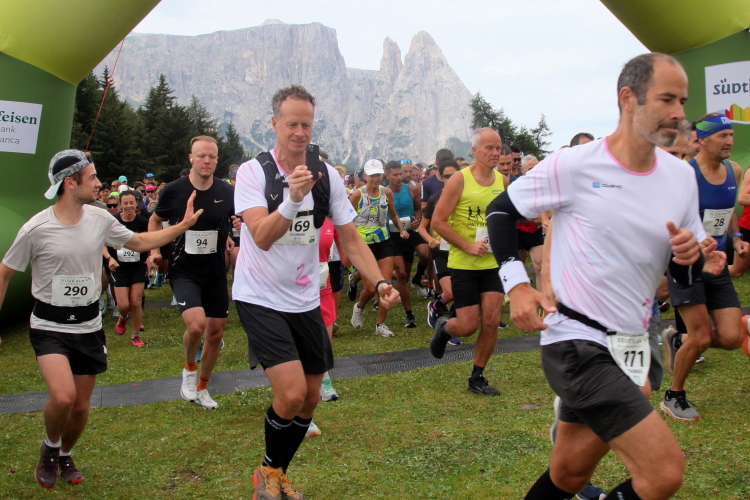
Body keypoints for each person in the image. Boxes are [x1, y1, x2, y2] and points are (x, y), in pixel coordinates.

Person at [485, 53, 714, 500]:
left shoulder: (680, 177)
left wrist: (691, 257)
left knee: (569, 474)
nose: (678, 113)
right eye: (667, 99)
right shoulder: (575, 164)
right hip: (577, 342)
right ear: (628, 98)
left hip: (634, 341)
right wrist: (517, 285)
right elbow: (501, 211)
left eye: (682, 102)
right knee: (664, 472)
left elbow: (685, 268)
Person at [232, 85, 399, 500]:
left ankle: (274, 473)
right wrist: (292, 200)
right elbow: (261, 236)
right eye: (292, 124)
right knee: (290, 394)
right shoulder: (254, 173)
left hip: (305, 297)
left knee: (310, 399)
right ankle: (269, 475)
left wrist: (379, 282)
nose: (300, 133)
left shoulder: (327, 177)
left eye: (306, 124)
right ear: (274, 124)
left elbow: (351, 238)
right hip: (260, 295)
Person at [0, 149, 202, 489]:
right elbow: (5, 272)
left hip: (88, 325)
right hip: (50, 325)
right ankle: (50, 448)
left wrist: (181, 226)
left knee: (80, 408)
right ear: (70, 182)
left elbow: (139, 241)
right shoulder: (37, 228)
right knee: (63, 397)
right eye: (92, 177)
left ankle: (65, 454)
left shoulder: (99, 219)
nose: (98, 184)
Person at [661, 112, 749, 421]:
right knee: (700, 336)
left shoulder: (733, 170)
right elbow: (669, 220)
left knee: (732, 338)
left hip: (718, 262)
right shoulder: (686, 174)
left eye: (731, 135)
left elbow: (728, 211)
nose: (730, 141)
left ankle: (677, 339)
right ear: (703, 140)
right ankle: (674, 396)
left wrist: (736, 237)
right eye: (723, 135)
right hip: (686, 263)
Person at [148, 135, 236, 410]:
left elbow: (231, 219)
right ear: (191, 159)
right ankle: (189, 369)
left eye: (212, 156)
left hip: (215, 270)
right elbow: (155, 220)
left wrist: (232, 231)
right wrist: (155, 250)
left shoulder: (227, 191)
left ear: (217, 160)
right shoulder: (174, 190)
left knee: (215, 333)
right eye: (201, 156)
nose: (206, 161)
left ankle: (203, 386)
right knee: (196, 325)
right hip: (183, 269)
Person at [429, 127, 508, 396]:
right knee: (467, 326)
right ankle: (444, 327)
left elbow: (506, 217)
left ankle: (477, 376)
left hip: (492, 264)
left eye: (498, 147)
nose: (495, 152)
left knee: (492, 320)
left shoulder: (503, 181)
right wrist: (467, 245)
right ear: (474, 151)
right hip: (464, 264)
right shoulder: (459, 180)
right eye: (489, 148)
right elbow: (438, 221)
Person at [349, 159, 408, 337]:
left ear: (383, 175)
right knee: (370, 289)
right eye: (372, 175)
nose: (375, 179)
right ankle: (360, 307)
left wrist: (401, 230)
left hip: (383, 241)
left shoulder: (386, 192)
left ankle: (380, 324)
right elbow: (346, 219)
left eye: (378, 175)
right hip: (363, 244)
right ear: (365, 176)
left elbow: (393, 215)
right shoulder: (357, 195)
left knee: (386, 284)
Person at [104, 190, 149, 347]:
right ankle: (123, 317)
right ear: (120, 205)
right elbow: (102, 242)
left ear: (136, 204)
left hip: (138, 265)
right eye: (125, 203)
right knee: (123, 305)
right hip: (119, 266)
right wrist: (109, 258)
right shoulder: (113, 222)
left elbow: (149, 241)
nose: (129, 206)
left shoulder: (143, 222)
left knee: (136, 302)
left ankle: (135, 335)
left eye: (131, 203)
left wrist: (150, 257)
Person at [384, 160, 423, 328]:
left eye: (400, 173)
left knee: (406, 274)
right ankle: (409, 314)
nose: (399, 177)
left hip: (409, 234)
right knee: (400, 274)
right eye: (395, 175)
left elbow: (418, 209)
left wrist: (417, 220)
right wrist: (386, 223)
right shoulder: (384, 192)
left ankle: (413, 279)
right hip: (392, 236)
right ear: (387, 176)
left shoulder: (412, 189)